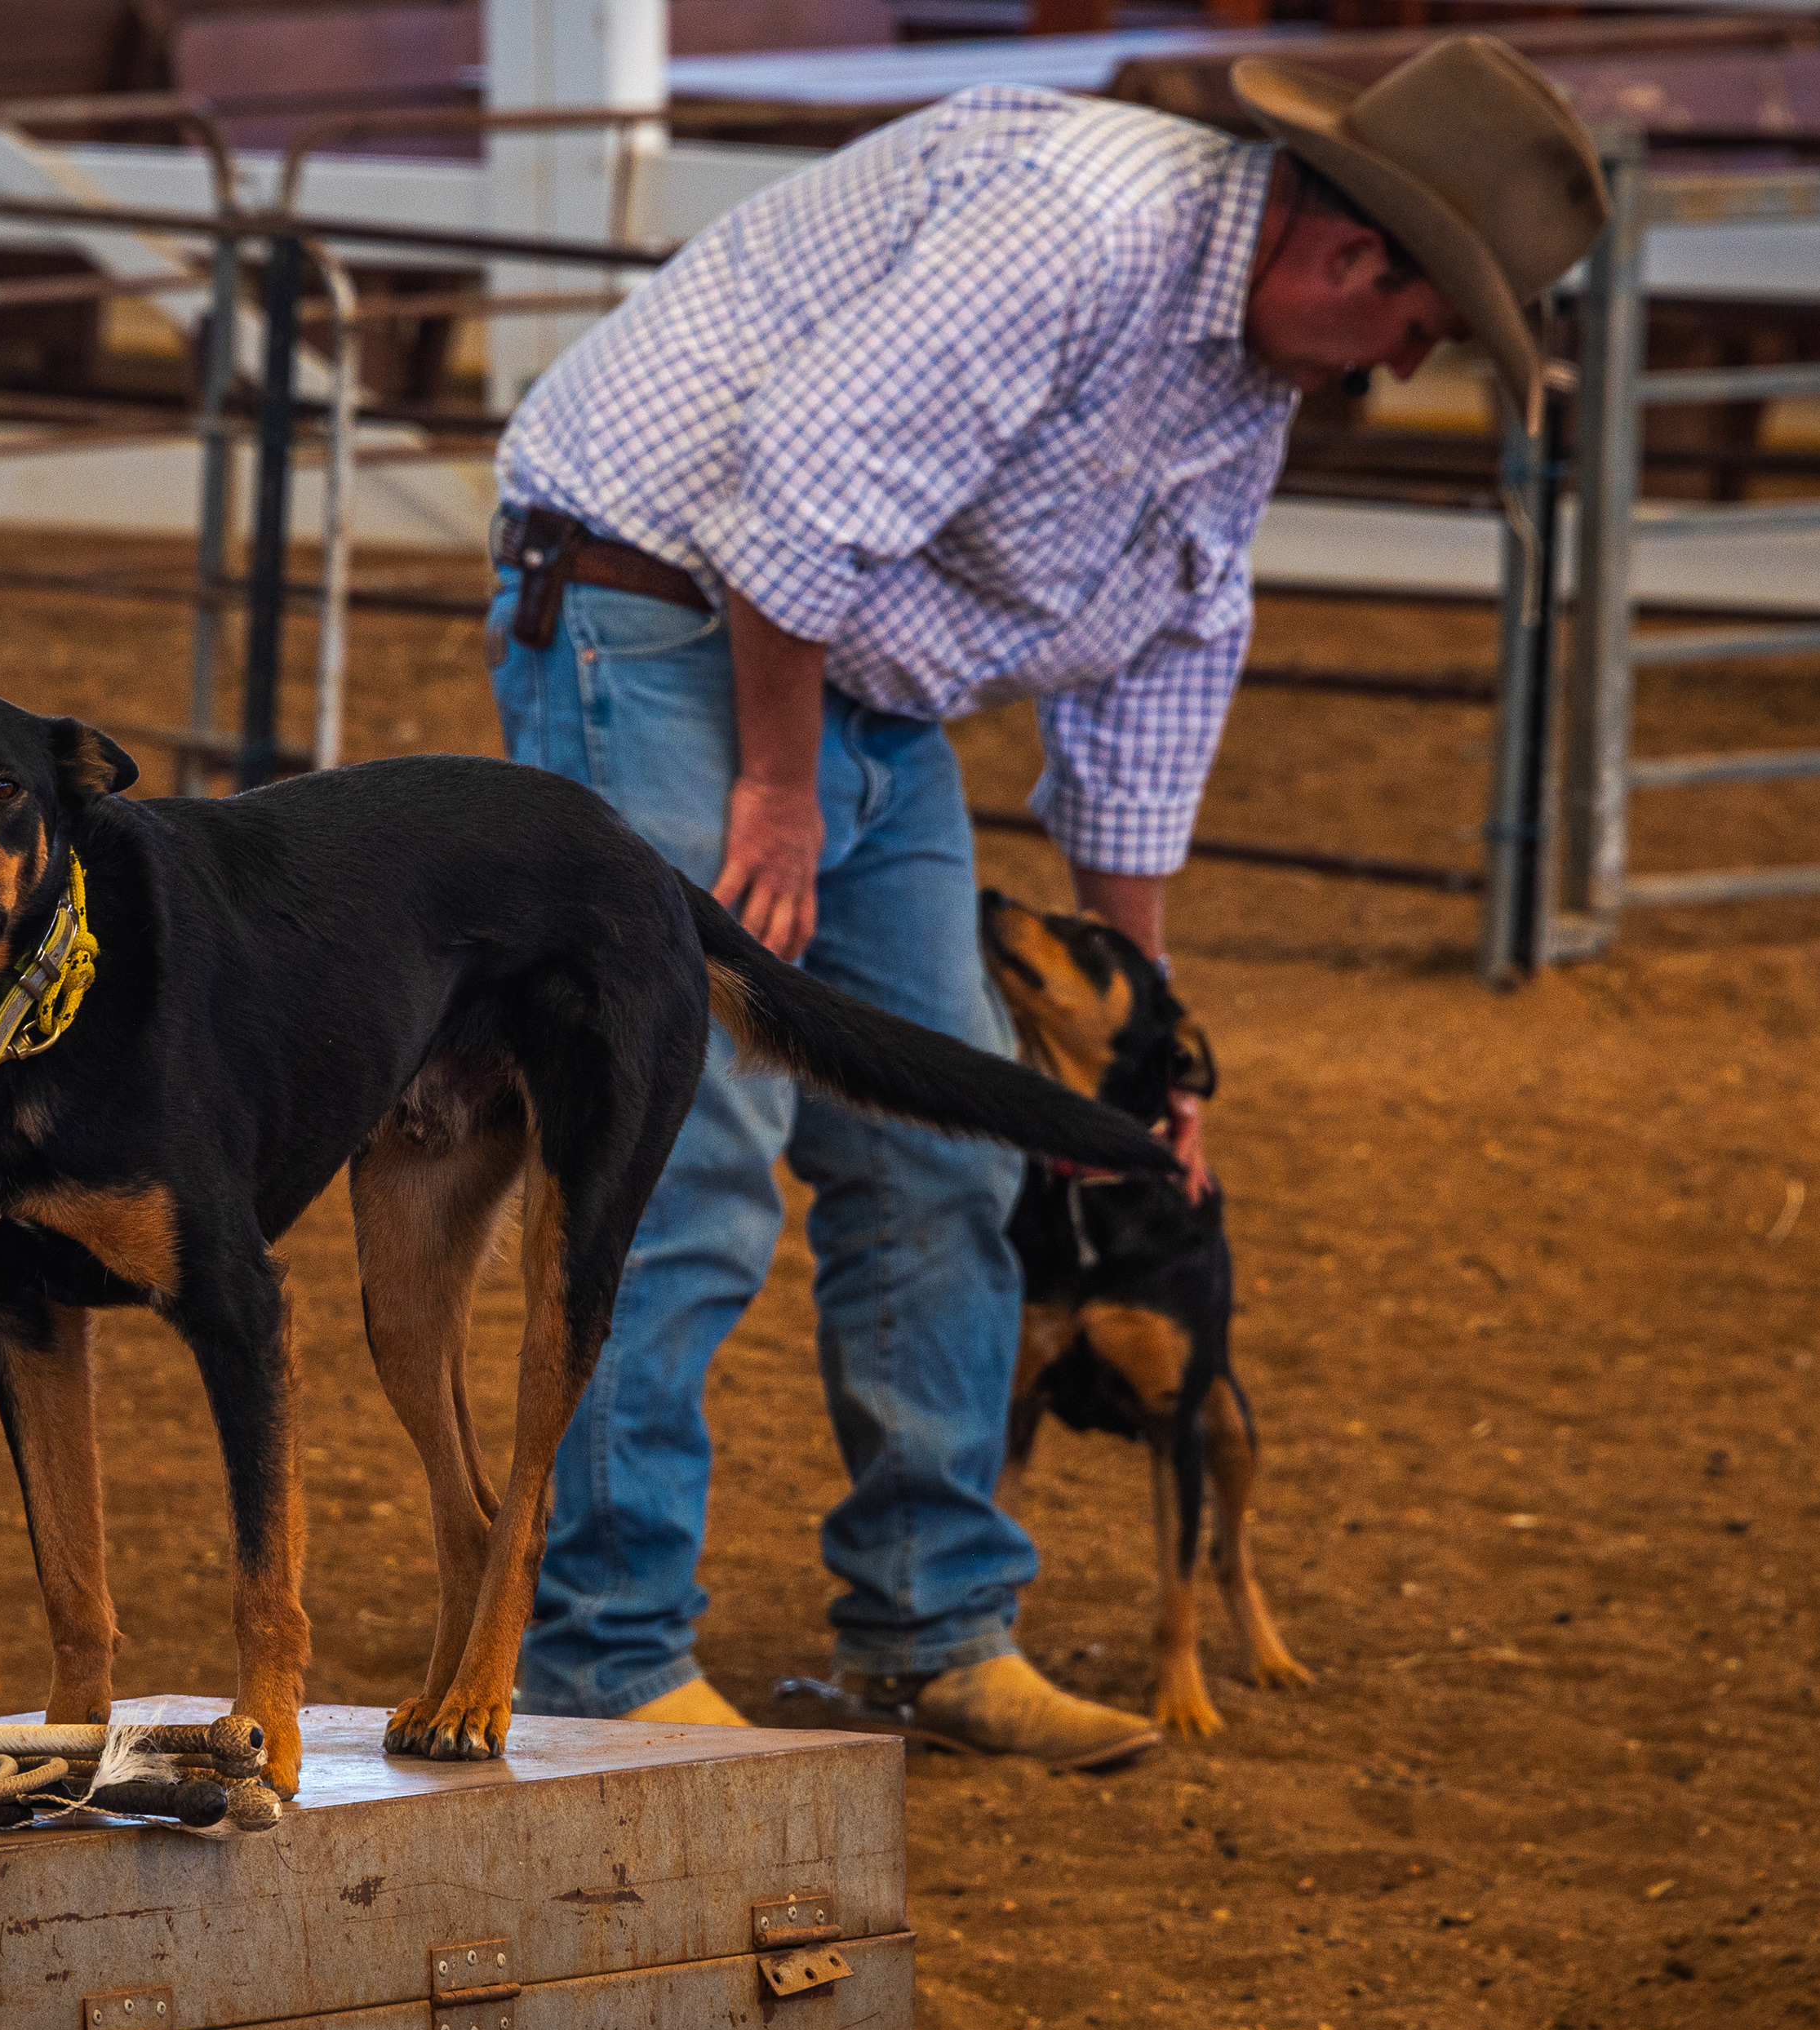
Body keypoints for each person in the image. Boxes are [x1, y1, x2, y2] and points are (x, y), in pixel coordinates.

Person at [485, 37, 1608, 1763]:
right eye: (1425, 329)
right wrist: (776, 788)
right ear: (1355, 259)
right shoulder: (1075, 229)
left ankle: (936, 1626)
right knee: (682, 1151)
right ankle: (602, 1653)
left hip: (851, 668)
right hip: (666, 615)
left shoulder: (1246, 373)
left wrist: (1137, 1041)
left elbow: (1169, 656)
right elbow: (807, 480)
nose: (1408, 360)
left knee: (960, 1128)